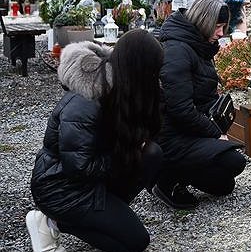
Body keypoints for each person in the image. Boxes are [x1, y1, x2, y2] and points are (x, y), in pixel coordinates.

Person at [27, 30, 164, 252]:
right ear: (139, 70)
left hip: (89, 178)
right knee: (135, 242)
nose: (156, 78)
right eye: (153, 72)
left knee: (152, 154)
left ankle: (107, 213)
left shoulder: (122, 87)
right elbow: (78, 166)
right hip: (60, 186)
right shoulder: (86, 101)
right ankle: (52, 221)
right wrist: (126, 156)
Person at [153, 0, 247, 209]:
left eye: (224, 26)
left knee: (224, 185)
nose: (221, 33)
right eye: (218, 26)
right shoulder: (177, 50)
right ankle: (165, 179)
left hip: (188, 128)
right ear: (204, 21)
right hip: (171, 134)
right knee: (234, 161)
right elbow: (180, 108)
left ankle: (179, 173)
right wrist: (215, 133)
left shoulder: (197, 43)